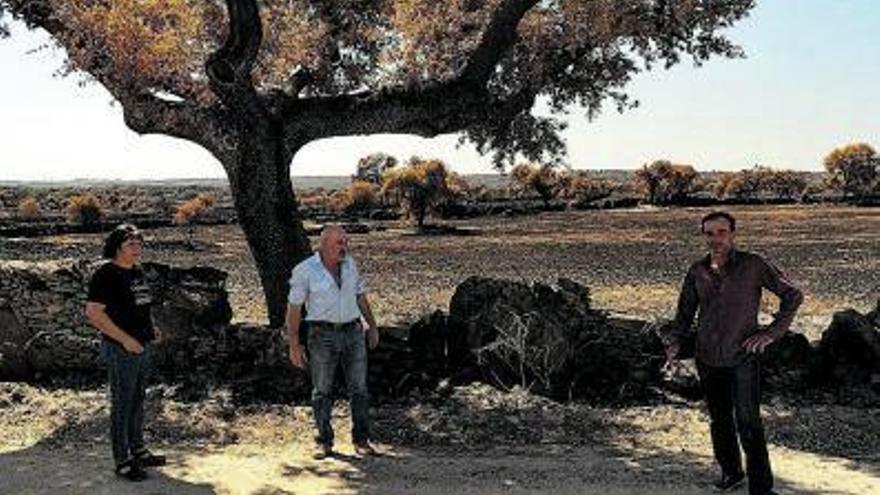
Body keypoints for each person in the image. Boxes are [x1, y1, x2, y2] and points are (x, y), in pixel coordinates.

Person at [663, 211, 803, 495]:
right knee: (720, 421)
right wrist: (674, 343)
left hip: (742, 357)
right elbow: (684, 315)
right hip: (707, 358)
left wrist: (771, 333)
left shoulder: (754, 265)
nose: (716, 239)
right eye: (710, 233)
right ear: (704, 236)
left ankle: (761, 489)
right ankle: (732, 473)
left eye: (722, 232)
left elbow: (793, 295)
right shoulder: (697, 271)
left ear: (733, 233)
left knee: (748, 422)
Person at [286, 224, 380, 459]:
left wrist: (373, 326)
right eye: (340, 242)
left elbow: (360, 296)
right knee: (322, 390)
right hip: (321, 336)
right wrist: (294, 344)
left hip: (353, 332)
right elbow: (294, 309)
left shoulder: (350, 265)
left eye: (346, 242)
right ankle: (324, 441)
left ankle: (362, 440)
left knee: (359, 388)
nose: (344, 247)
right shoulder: (305, 270)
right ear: (325, 245)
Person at [85, 224, 166, 481]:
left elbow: (142, 307)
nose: (137, 248)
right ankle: (122, 461)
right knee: (122, 404)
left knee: (138, 401)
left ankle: (138, 450)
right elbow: (94, 314)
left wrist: (151, 329)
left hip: (142, 346)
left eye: (139, 243)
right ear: (117, 247)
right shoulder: (106, 275)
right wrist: (126, 340)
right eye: (131, 244)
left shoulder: (136, 272)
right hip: (121, 349)